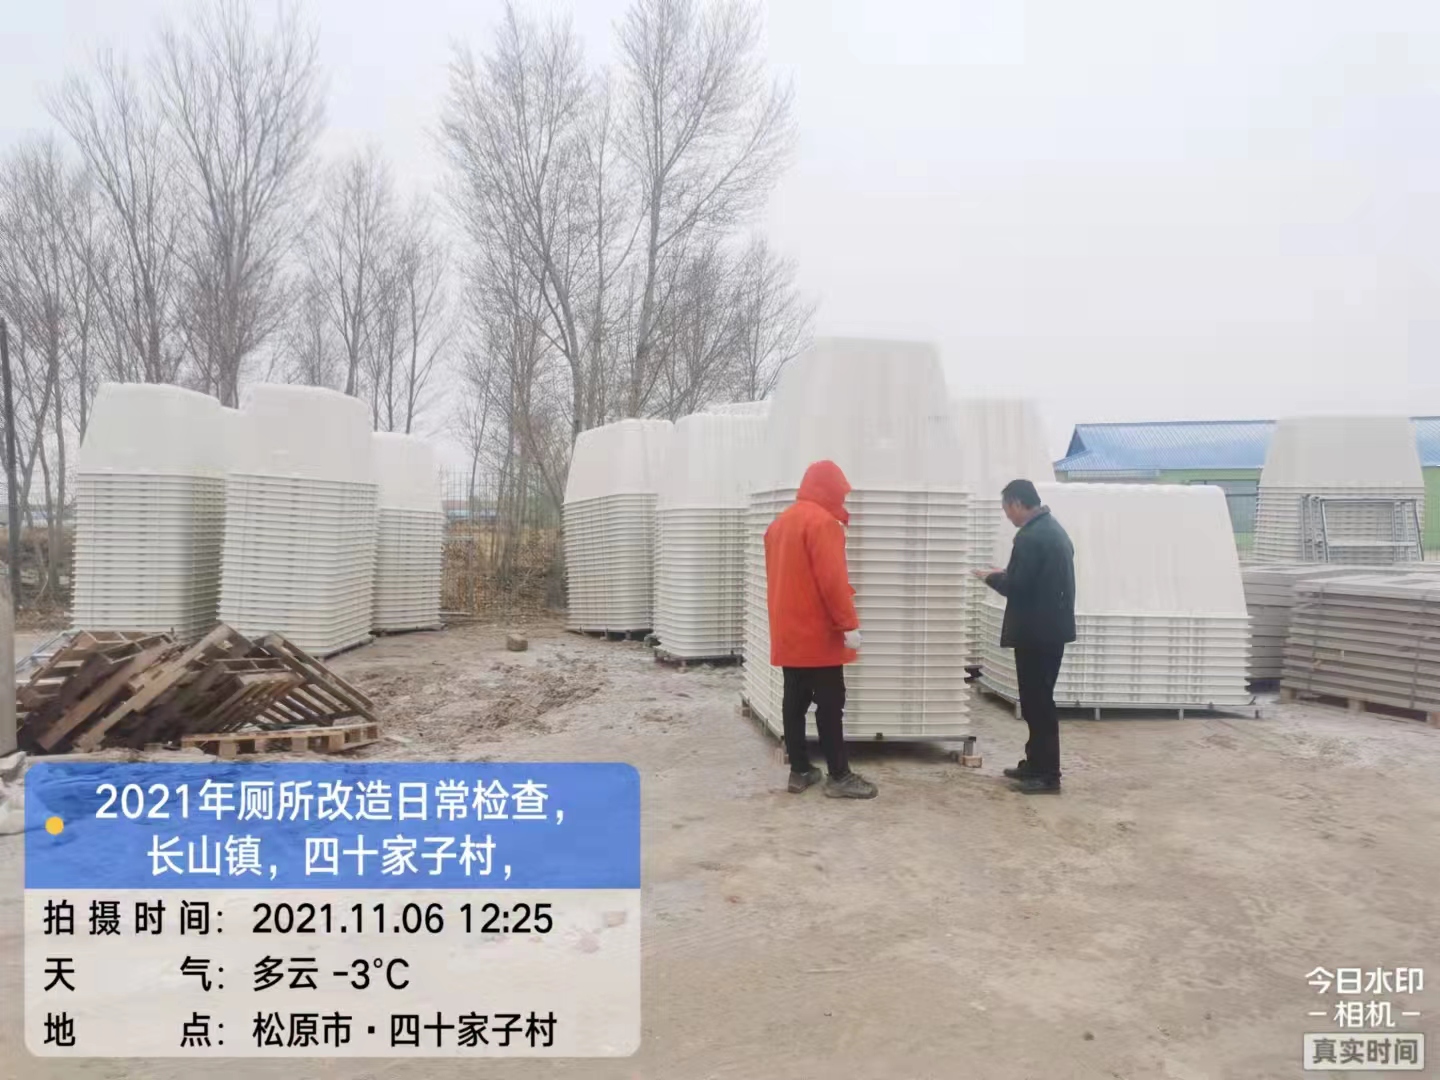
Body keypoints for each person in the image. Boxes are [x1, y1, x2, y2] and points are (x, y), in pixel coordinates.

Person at [764, 460, 878, 799]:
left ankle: (800, 771)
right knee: (830, 704)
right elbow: (832, 582)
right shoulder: (823, 524)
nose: (842, 499)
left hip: (788, 631)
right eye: (840, 492)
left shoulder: (779, 524)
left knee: (794, 701)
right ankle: (839, 776)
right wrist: (848, 624)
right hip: (818, 634)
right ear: (828, 489)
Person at [972, 479, 1076, 794]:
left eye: (1007, 509)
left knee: (1038, 703)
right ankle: (1035, 763)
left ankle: (1047, 774)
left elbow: (1018, 586)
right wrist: (1004, 575)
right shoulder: (1053, 530)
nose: (1007, 516)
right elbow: (1035, 579)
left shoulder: (1030, 537)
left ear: (1017, 503)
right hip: (1050, 630)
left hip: (1036, 633)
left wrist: (991, 578)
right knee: (1036, 701)